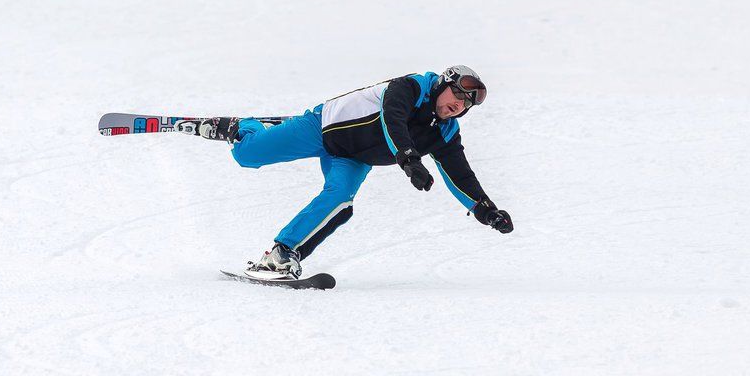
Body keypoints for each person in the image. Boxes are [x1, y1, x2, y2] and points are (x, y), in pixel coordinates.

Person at [194, 65, 513, 279]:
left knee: (340, 202)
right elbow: (393, 120)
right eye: (457, 94)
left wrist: (486, 211)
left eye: (466, 104)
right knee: (248, 157)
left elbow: (460, 174)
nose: (460, 104)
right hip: (321, 127)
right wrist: (408, 159)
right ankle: (245, 128)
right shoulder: (412, 87)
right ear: (443, 85)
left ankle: (284, 253)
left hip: (353, 158)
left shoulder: (443, 131)